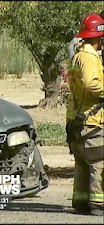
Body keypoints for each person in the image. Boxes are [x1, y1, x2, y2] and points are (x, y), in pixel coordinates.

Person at [66, 13, 104, 216]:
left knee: (82, 162)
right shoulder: (89, 57)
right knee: (99, 162)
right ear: (99, 37)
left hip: (77, 119)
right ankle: (98, 204)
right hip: (92, 120)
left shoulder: (77, 54)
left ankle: (80, 202)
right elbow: (92, 85)